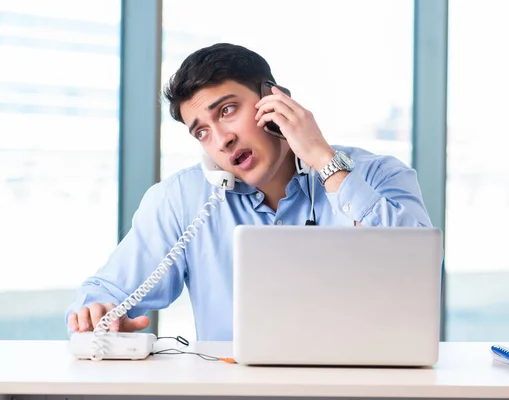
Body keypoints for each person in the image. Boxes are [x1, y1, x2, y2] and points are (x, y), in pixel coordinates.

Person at [65, 43, 432, 340]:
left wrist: (322, 157)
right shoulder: (183, 198)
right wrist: (97, 313)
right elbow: (104, 290)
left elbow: (419, 272)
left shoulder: (380, 175)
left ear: (274, 100)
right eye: (202, 132)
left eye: (226, 110)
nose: (221, 140)